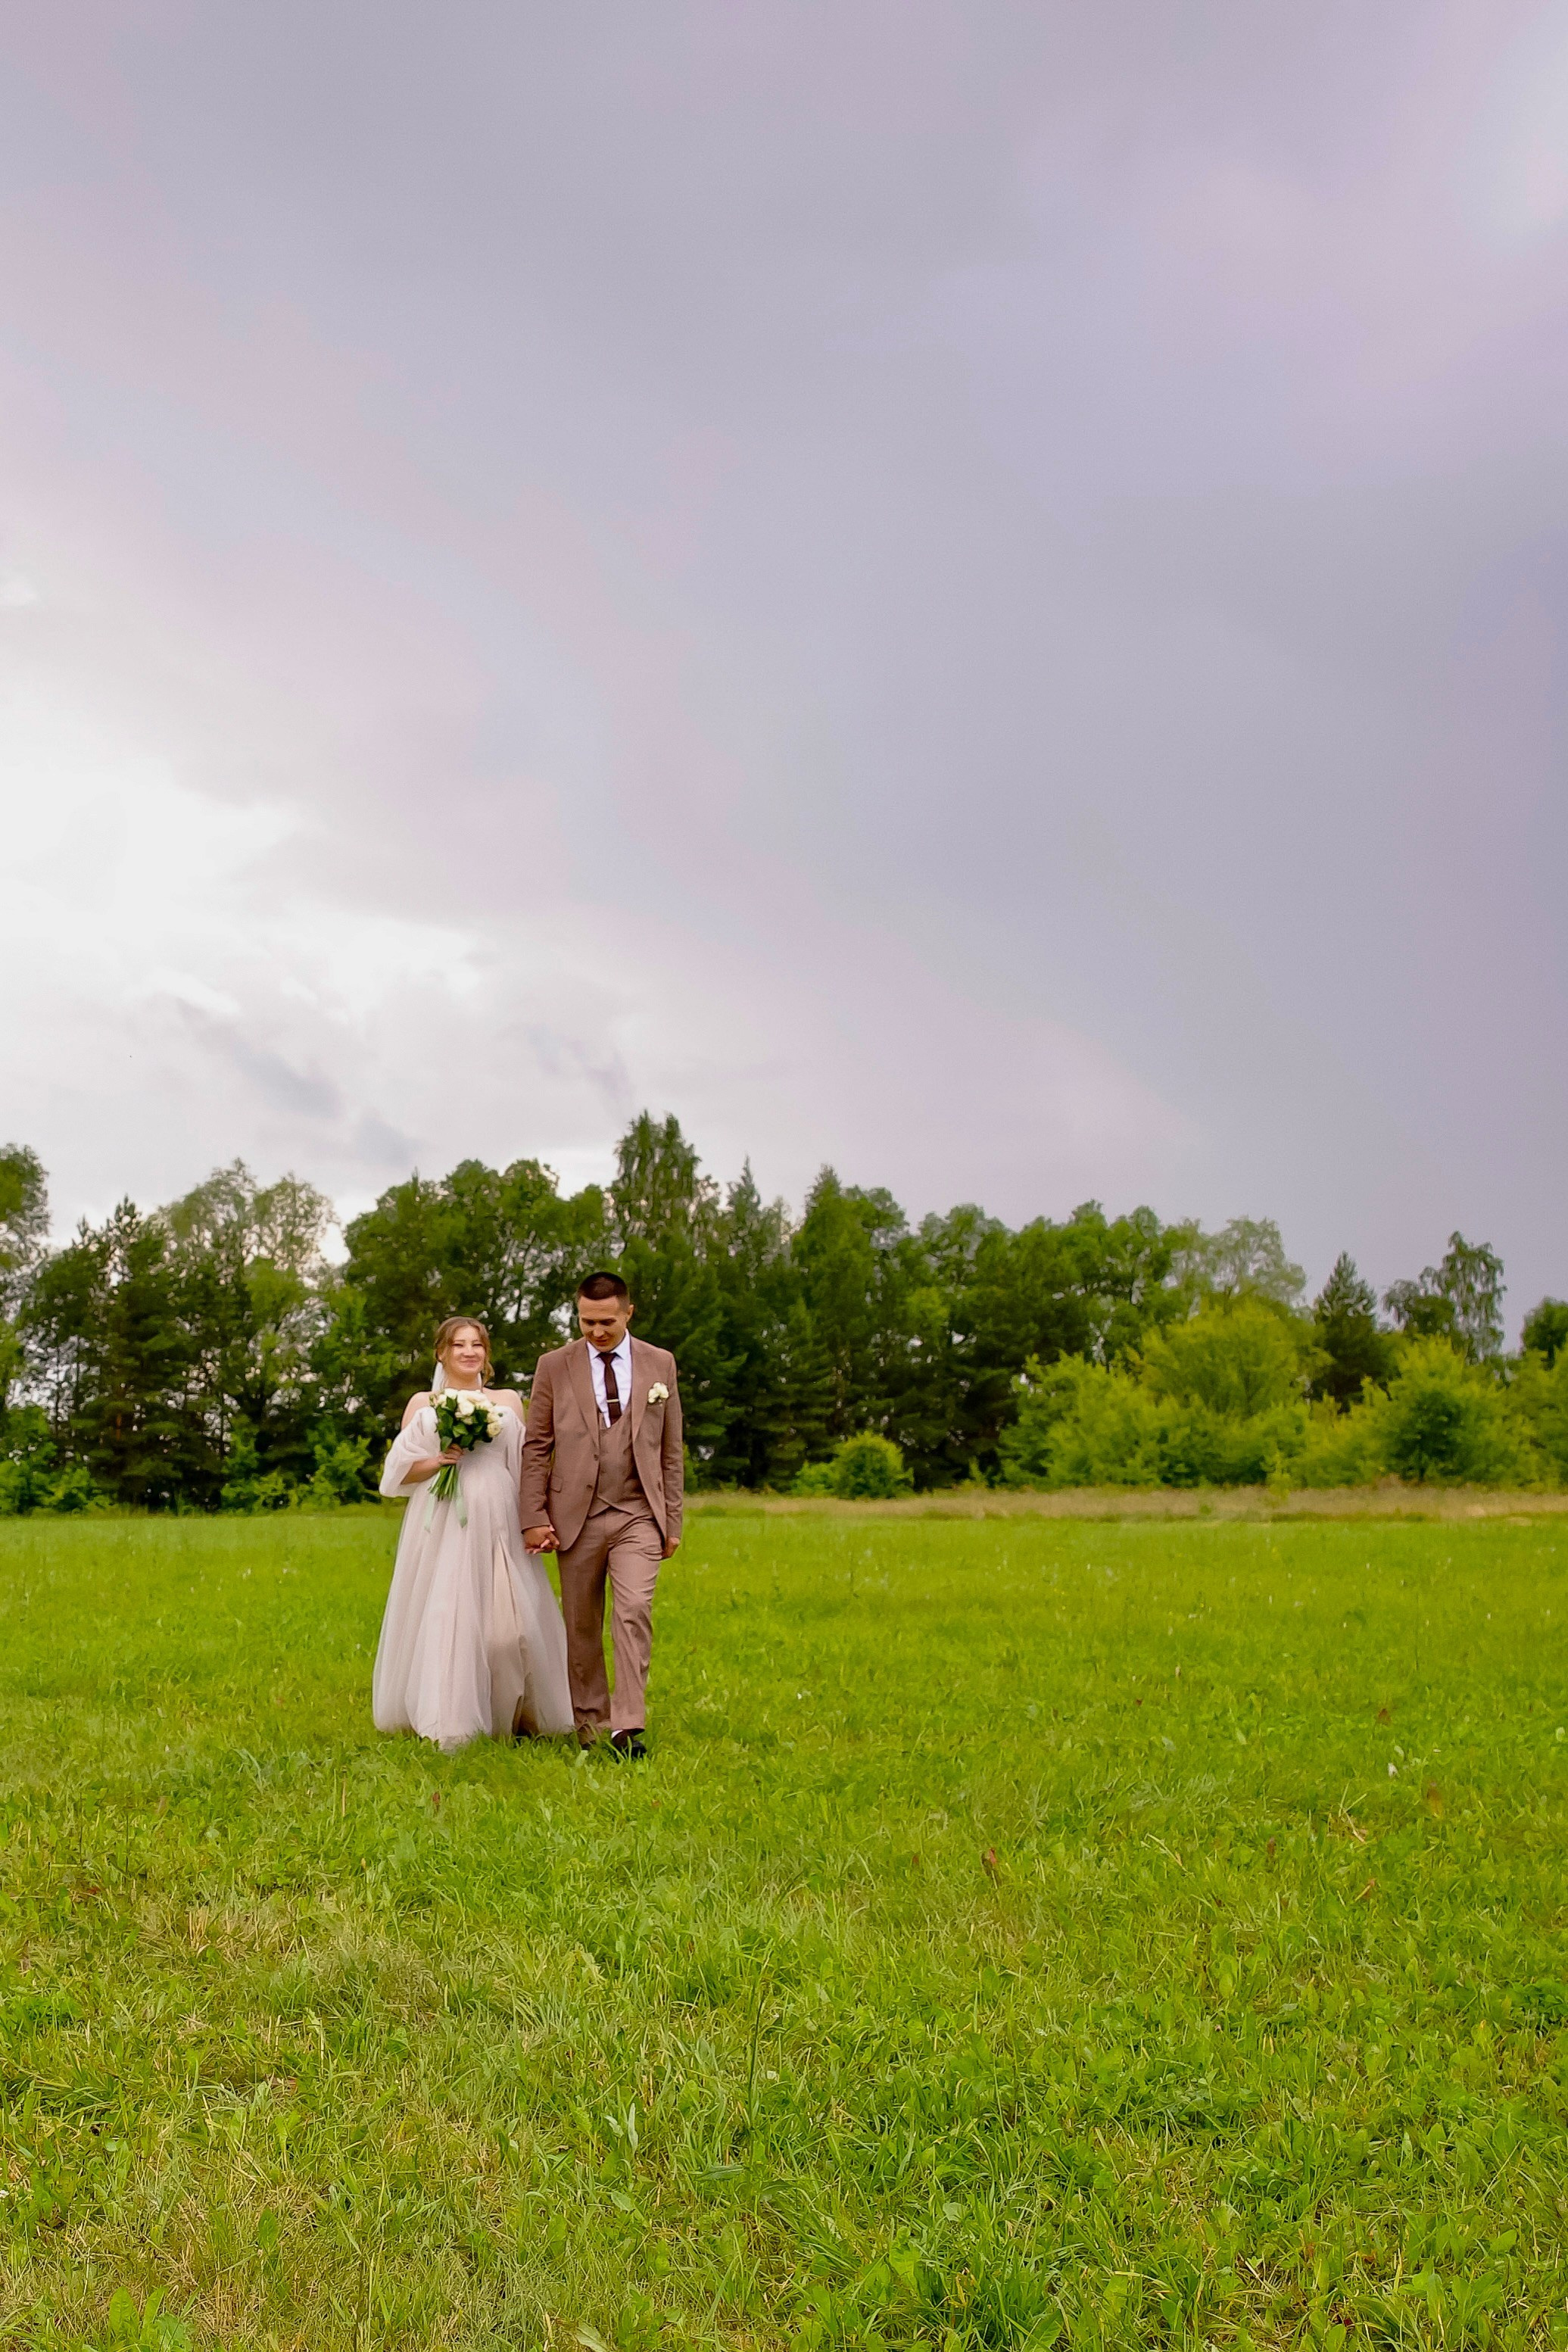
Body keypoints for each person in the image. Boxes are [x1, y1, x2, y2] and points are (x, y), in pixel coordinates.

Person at [373, 1315, 573, 1752]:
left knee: (510, 1626)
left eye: (477, 1345)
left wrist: (535, 1519)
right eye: (459, 1344)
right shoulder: (423, 1403)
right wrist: (441, 1460)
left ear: (487, 1352)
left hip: (499, 1518)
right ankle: (450, 1716)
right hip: (444, 1518)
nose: (469, 1352)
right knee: (448, 1615)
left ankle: (518, 1711)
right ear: (441, 1352)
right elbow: (399, 1474)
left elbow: (523, 1468)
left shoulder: (507, 1401)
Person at [519, 1271, 682, 1760]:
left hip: (639, 1513)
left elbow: (670, 1449)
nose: (596, 1331)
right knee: (582, 1625)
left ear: (628, 1313)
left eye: (606, 1321)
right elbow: (537, 1446)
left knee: (633, 1612)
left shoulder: (661, 1363)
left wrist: (672, 1521)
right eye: (587, 1321)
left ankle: (628, 1727)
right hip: (576, 1515)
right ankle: (591, 1724)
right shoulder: (554, 1365)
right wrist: (533, 1515)